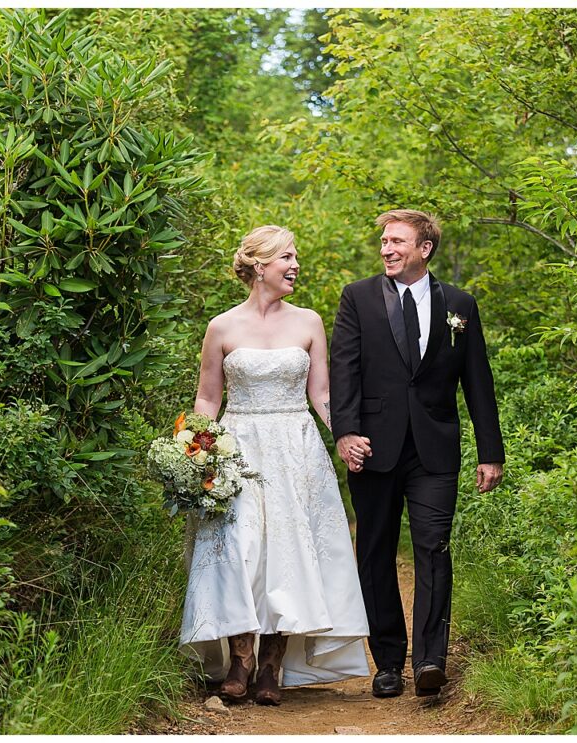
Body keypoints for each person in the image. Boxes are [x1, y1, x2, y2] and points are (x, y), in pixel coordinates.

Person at [179, 225, 371, 706]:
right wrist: (195, 452)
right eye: (287, 256)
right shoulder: (221, 327)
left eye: (296, 257)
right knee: (242, 549)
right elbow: (207, 398)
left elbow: (322, 394)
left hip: (296, 447)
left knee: (289, 552)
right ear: (259, 264)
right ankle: (239, 660)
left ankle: (271, 666)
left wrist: (344, 437)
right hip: (239, 446)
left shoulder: (308, 322)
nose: (295, 265)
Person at [328, 209, 504, 698]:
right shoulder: (358, 298)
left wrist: (490, 451)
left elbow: (478, 381)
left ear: (424, 248)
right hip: (373, 448)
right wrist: (345, 434)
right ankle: (387, 662)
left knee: (433, 548)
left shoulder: (460, 304)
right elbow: (343, 371)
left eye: (397, 241)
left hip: (434, 448)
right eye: (383, 240)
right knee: (376, 552)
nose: (386, 248)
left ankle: (430, 660)